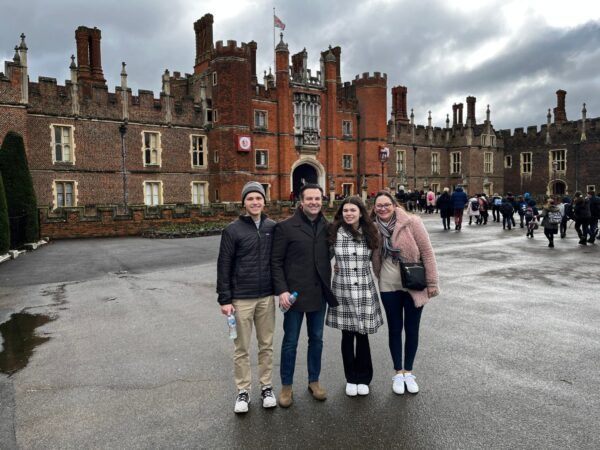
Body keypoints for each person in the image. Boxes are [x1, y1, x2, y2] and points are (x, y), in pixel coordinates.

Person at [271, 183, 338, 407]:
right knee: (290, 342)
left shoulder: (328, 227)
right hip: (293, 296)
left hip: (318, 294)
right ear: (301, 201)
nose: (314, 202)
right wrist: (281, 290)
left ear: (322, 200)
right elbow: (276, 262)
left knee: (316, 340)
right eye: (309, 199)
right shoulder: (286, 227)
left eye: (317, 199)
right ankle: (286, 386)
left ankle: (314, 381)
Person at [216, 181, 277, 414]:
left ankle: (266, 387)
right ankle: (243, 390)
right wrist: (225, 299)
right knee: (241, 347)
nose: (255, 202)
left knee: (266, 345)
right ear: (244, 203)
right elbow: (224, 265)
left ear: (264, 201)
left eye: (258, 198)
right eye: (250, 199)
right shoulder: (232, 230)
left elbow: (278, 261)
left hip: (265, 297)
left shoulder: (272, 226)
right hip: (241, 298)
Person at [371, 192, 440, 395]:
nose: (382, 208)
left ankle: (409, 372)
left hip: (413, 284)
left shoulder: (412, 222)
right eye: (378, 206)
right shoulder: (373, 228)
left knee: (411, 329)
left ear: (394, 205)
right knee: (394, 329)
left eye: (386, 205)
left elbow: (427, 252)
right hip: (388, 285)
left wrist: (432, 282)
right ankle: (398, 372)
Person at [325, 196, 383, 397]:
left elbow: (379, 257)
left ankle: (364, 377)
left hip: (365, 288)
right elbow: (323, 257)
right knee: (347, 335)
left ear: (361, 213)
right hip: (342, 288)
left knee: (363, 334)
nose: (348, 214)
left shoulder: (371, 231)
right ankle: (351, 377)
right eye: (345, 211)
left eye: (353, 210)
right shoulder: (334, 232)